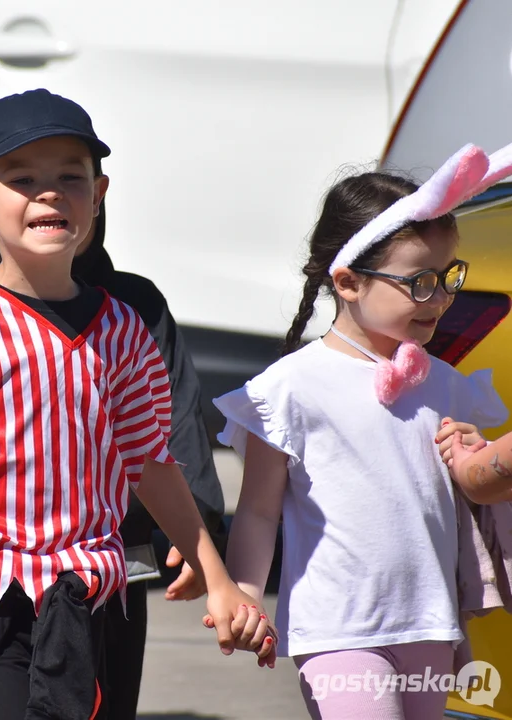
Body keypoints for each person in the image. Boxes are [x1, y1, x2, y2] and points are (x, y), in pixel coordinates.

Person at [0, 89, 271, 720]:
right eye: (21, 178)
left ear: (98, 194)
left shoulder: (124, 328)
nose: (49, 192)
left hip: (85, 607)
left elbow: (149, 463)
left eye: (71, 176)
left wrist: (219, 577)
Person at [216, 145, 512, 719]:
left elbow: (463, 489)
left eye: (449, 275)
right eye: (420, 282)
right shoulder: (292, 389)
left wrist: (471, 457)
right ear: (349, 282)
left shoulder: (444, 383)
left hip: (429, 620)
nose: (442, 298)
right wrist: (247, 592)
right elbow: (257, 510)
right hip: (338, 630)